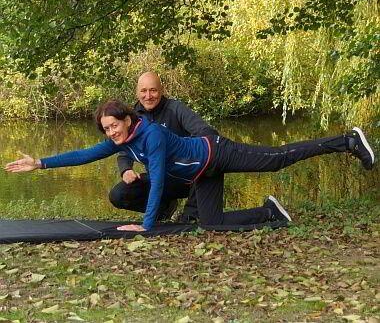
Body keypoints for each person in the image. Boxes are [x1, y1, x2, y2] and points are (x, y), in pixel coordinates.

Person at [5, 100, 375, 232]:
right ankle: (267, 212)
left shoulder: (149, 135)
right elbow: (84, 154)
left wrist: (147, 226)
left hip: (215, 153)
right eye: (106, 129)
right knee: (211, 224)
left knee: (277, 160)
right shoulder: (125, 139)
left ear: (129, 120)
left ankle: (346, 141)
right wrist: (40, 163)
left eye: (114, 126)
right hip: (202, 174)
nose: (110, 133)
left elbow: (162, 179)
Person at [111, 72, 219, 222]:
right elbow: (124, 151)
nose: (148, 96)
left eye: (153, 90)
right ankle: (164, 208)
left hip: (187, 178)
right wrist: (126, 169)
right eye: (143, 91)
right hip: (158, 179)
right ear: (137, 92)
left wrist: (192, 151)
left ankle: (191, 214)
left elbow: (208, 132)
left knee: (204, 165)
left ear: (162, 90)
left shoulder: (175, 108)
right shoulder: (132, 117)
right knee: (118, 195)